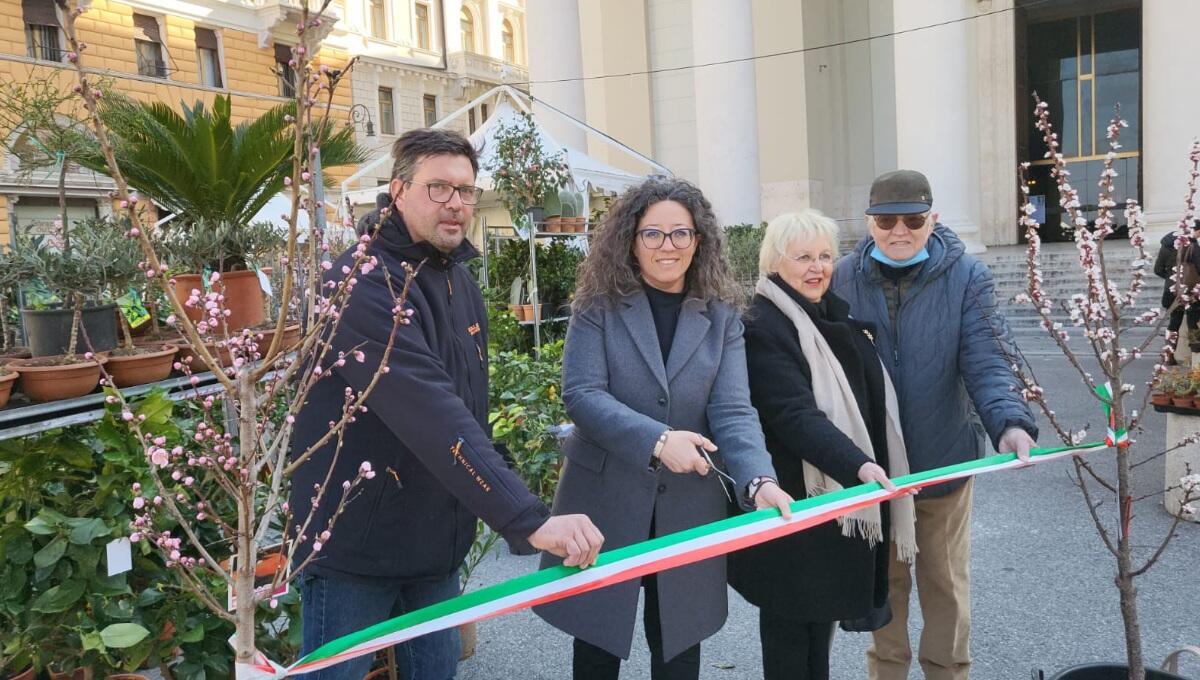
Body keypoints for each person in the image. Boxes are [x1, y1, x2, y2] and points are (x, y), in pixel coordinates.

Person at [288, 128, 604, 680]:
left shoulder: (458, 278)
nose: (456, 203)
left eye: (465, 190)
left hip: (433, 548)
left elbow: (468, 409)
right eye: (439, 188)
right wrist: (527, 518)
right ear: (398, 191)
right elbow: (431, 410)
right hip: (356, 551)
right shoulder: (360, 284)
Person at [533, 176, 794, 680]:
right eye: (653, 234)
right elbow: (582, 395)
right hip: (604, 497)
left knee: (678, 646)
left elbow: (735, 411)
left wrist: (758, 480)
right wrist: (657, 440)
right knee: (597, 644)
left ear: (700, 241)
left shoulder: (721, 318)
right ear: (631, 240)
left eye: (681, 233)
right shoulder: (598, 307)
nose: (667, 246)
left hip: (688, 503)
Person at [831, 170, 1038, 680]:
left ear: (933, 219)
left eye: (913, 219)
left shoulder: (967, 275)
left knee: (945, 587)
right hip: (875, 472)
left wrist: (1010, 422)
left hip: (944, 460)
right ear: (868, 223)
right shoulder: (840, 278)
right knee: (886, 591)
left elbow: (988, 358)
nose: (899, 231)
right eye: (885, 220)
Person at [729, 209, 918, 680]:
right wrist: (859, 465)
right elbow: (793, 414)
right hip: (791, 506)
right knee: (791, 634)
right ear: (775, 263)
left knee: (820, 632)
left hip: (829, 505)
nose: (818, 267)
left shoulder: (832, 315)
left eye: (826, 256)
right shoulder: (762, 324)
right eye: (804, 257)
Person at [1152, 225, 1200, 363]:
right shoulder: (1192, 245)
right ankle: (1196, 356)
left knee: (1174, 322)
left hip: (1171, 290)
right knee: (1193, 322)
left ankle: (1169, 355)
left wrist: (1171, 279)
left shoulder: (1166, 245)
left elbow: (1158, 269)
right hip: (1191, 290)